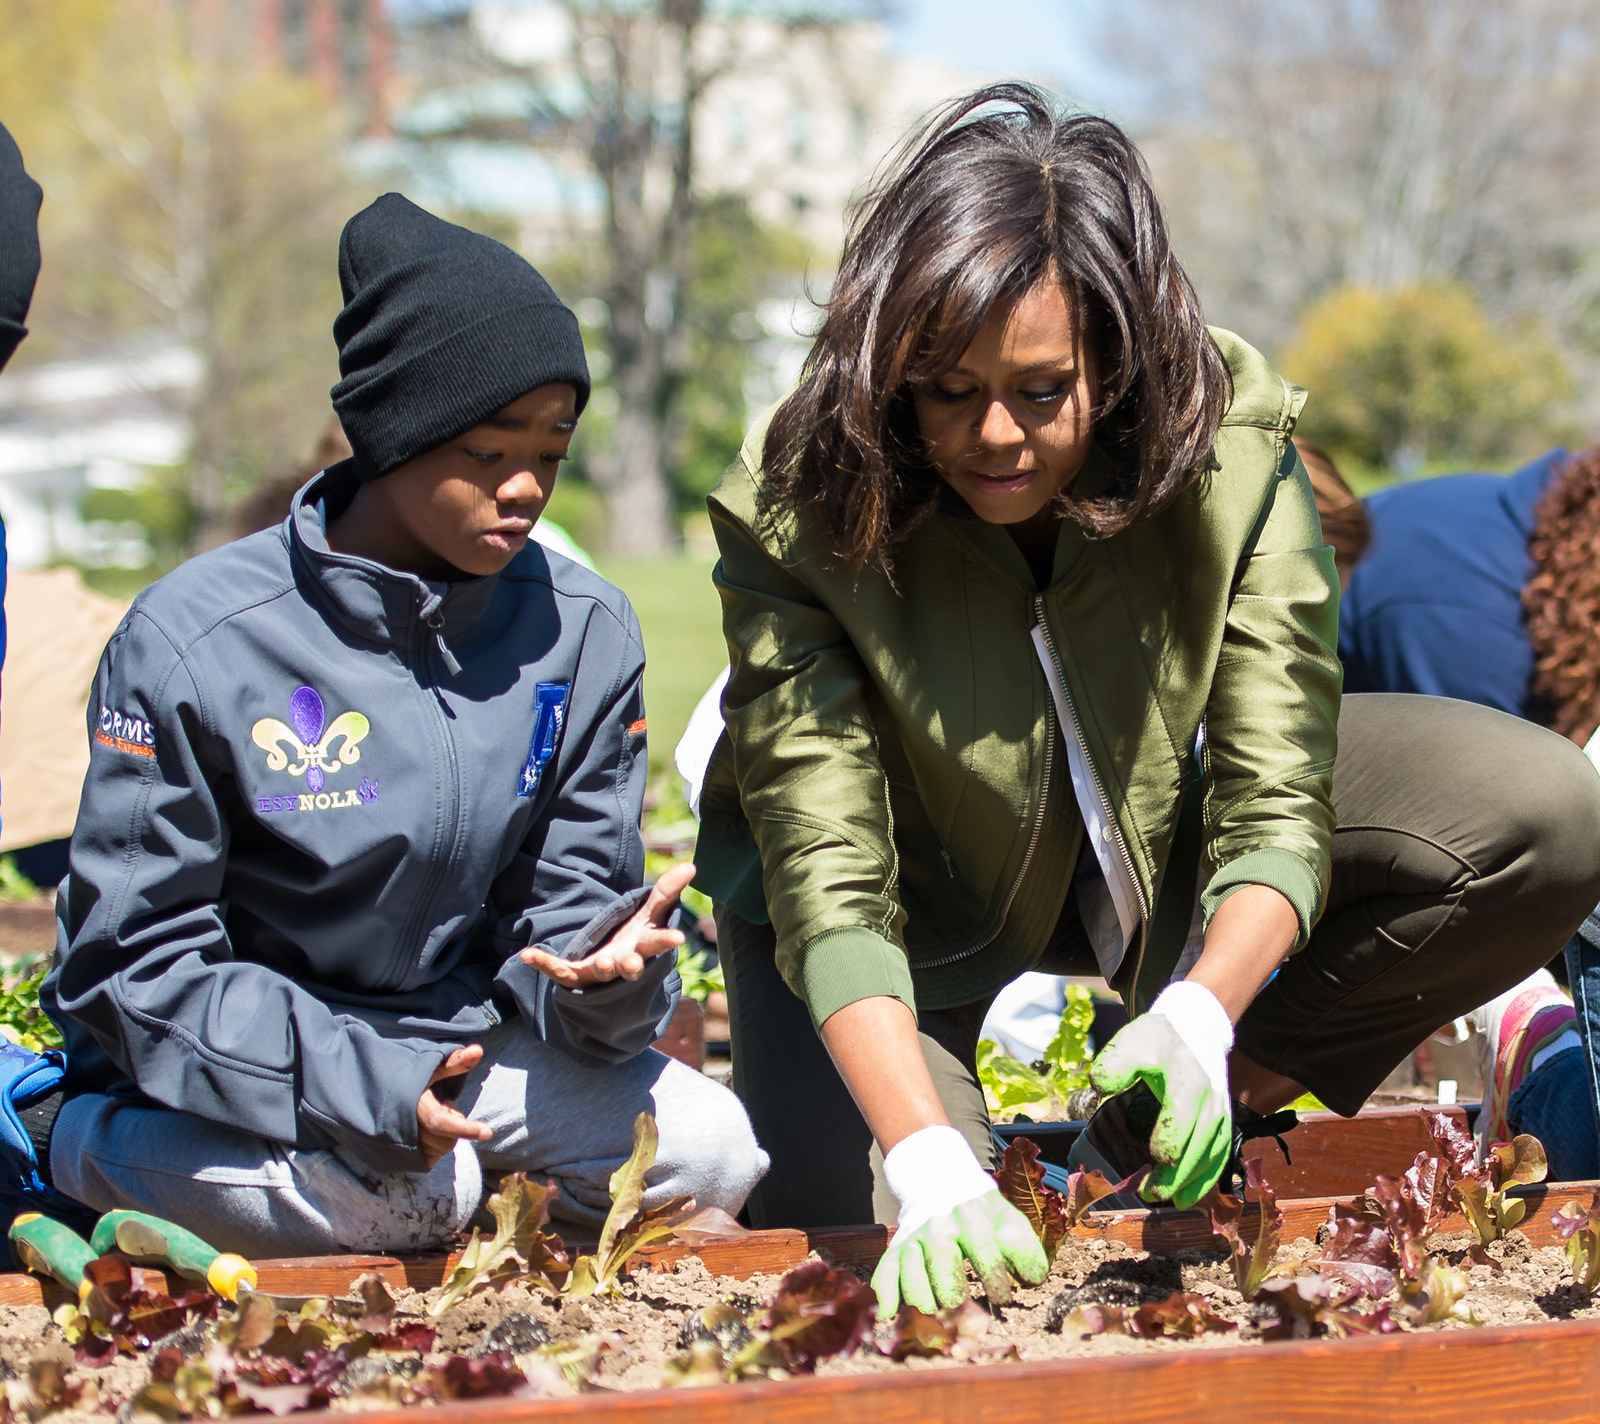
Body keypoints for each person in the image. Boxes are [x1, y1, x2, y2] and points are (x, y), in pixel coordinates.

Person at [691, 83, 1600, 1316]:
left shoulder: (1227, 443)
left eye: (1040, 388)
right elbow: (826, 862)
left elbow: (1277, 780)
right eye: (945, 389)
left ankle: (1154, 1111)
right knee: (878, 1262)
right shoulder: (799, 501)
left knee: (1540, 806)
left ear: (1113, 362)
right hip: (904, 903)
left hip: (1160, 836)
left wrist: (1204, 1014)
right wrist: (920, 1147)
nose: (994, 434)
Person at [36, 194, 767, 1257]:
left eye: (551, 447)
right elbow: (132, 963)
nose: (522, 486)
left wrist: (613, 977)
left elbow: (567, 921)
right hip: (234, 1073)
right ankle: (65, 1139)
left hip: (452, 1052)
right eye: (482, 449)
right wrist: (361, 1083)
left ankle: (461, 1199)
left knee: (710, 1148)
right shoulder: (196, 638)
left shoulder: (580, 631)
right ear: (391, 431)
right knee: (407, 1201)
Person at [1340, 445, 1600, 1177]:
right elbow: (1494, 836)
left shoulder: (1557, 583)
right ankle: (1522, 1020)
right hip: (1351, 745)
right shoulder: (1464, 625)